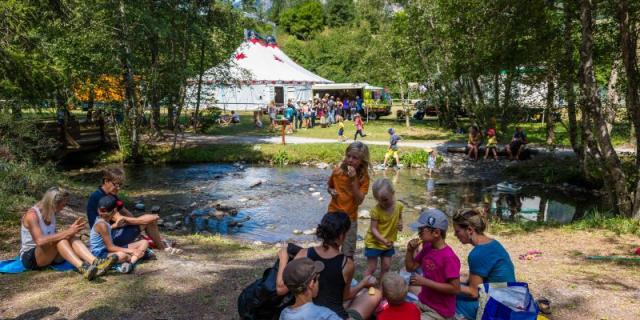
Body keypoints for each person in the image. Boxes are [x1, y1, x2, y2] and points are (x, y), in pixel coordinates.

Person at [279, 212, 381, 320]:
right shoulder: (346, 264)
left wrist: (283, 260)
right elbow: (345, 296)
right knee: (375, 294)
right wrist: (363, 284)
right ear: (342, 235)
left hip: (307, 310)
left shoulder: (304, 253)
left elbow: (282, 287)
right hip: (336, 315)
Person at [20, 187, 116, 280]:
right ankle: (83, 267)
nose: (63, 208)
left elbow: (53, 235)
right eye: (63, 205)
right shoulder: (32, 215)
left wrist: (70, 231)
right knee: (62, 238)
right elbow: (40, 241)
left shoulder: (51, 212)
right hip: (31, 258)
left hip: (47, 254)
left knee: (70, 236)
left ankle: (95, 262)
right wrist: (67, 232)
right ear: (53, 204)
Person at [86, 168, 171, 253]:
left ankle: (158, 244)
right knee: (148, 221)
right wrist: (141, 220)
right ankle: (162, 248)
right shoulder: (98, 197)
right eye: (116, 184)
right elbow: (119, 219)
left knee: (146, 220)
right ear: (106, 181)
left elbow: (124, 211)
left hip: (113, 232)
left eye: (120, 185)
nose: (118, 188)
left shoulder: (111, 194)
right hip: (107, 239)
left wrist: (138, 227)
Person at [453, 209, 515, 320]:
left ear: (470, 230)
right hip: (509, 297)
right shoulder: (492, 243)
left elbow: (474, 292)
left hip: (498, 307)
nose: (455, 235)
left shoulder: (477, 253)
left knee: (448, 300)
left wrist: (449, 285)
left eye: (457, 231)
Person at [406, 209, 461, 320]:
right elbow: (410, 267)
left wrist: (425, 282)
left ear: (436, 233)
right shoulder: (427, 248)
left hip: (440, 312)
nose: (418, 233)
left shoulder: (449, 257)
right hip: (423, 302)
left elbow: (455, 289)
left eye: (421, 230)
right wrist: (410, 251)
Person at [327, 142, 371, 259]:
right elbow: (330, 186)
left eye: (355, 158)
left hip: (350, 218)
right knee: (330, 247)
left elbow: (359, 201)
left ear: (362, 160)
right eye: (348, 156)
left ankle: (346, 274)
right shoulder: (337, 172)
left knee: (348, 252)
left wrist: (353, 180)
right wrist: (331, 191)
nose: (350, 160)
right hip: (333, 214)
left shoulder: (363, 177)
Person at [90, 196, 150, 274]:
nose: (103, 214)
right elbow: (110, 247)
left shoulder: (103, 221)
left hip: (108, 251)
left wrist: (115, 225)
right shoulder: (102, 224)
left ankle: (129, 263)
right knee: (124, 255)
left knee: (144, 242)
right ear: (115, 210)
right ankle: (131, 261)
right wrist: (131, 251)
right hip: (101, 254)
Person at [363, 178, 403, 279]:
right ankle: (363, 286)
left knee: (386, 266)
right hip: (374, 242)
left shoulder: (399, 206)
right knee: (372, 267)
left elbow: (400, 217)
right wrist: (383, 240)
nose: (384, 203)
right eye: (380, 201)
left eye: (386, 200)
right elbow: (373, 229)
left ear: (393, 193)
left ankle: (382, 287)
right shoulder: (376, 211)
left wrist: (400, 224)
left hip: (388, 242)